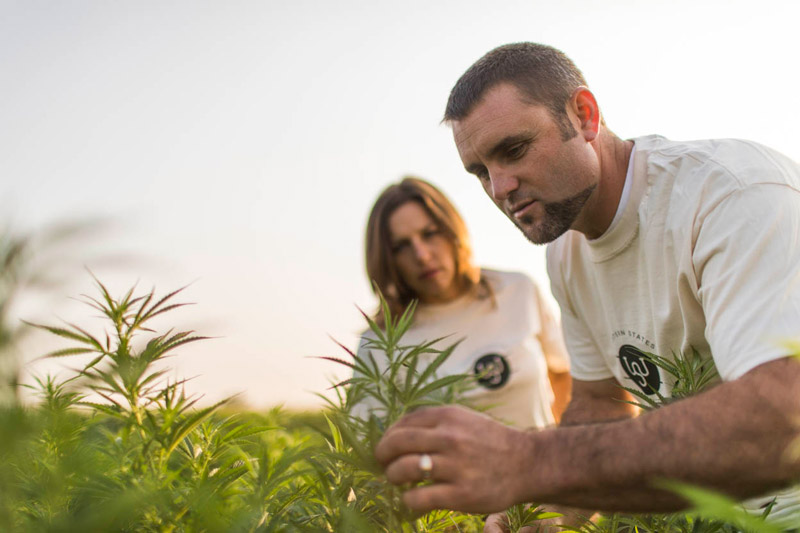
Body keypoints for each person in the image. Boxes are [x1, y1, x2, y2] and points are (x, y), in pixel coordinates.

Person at [374, 42, 800, 529]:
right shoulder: (566, 251)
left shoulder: (733, 197)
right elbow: (601, 401)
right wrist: (545, 513)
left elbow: (782, 420)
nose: (499, 188)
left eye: (513, 150)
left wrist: (529, 463)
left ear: (584, 115)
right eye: (481, 172)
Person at [355, 176, 571, 429]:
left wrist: (566, 445)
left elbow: (563, 373)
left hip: (546, 465)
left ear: (452, 230)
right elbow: (372, 445)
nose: (422, 255)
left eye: (430, 234)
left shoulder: (517, 291)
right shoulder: (379, 345)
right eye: (401, 246)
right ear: (385, 259)